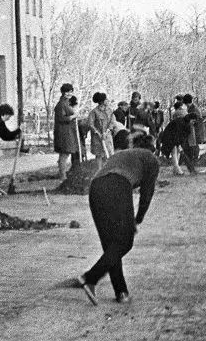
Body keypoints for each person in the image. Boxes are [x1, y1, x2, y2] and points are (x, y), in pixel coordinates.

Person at [77, 134, 159, 306]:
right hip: (117, 185)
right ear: (152, 147)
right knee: (125, 242)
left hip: (96, 188)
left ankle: (121, 291)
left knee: (111, 244)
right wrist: (138, 219)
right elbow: (147, 193)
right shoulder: (151, 159)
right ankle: (90, 278)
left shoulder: (121, 155)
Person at [54, 83, 80, 181]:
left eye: (71, 92)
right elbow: (62, 118)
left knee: (65, 154)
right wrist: (73, 116)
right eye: (68, 92)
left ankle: (63, 174)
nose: (70, 94)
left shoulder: (66, 103)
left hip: (67, 131)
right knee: (64, 154)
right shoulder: (61, 104)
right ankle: (62, 176)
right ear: (63, 92)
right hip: (63, 133)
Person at [88, 92, 118, 171]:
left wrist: (107, 131)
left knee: (110, 153)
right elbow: (90, 124)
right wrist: (98, 133)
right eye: (106, 99)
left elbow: (113, 121)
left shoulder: (109, 110)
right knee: (99, 154)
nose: (107, 100)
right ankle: (99, 171)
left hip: (107, 136)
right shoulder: (94, 112)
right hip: (97, 137)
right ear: (102, 101)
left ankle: (110, 171)